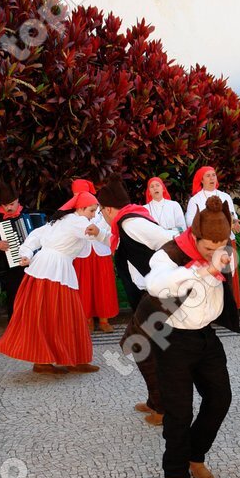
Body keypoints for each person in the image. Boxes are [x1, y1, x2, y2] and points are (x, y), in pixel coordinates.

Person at [143, 196, 240, 478]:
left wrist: (222, 259)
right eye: (208, 247)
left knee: (220, 397)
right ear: (194, 237)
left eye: (221, 244)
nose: (216, 252)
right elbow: (154, 285)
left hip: (205, 336)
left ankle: (195, 454)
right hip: (171, 337)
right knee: (179, 410)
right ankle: (175, 475)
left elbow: (232, 264)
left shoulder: (222, 248)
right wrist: (198, 270)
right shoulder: (169, 253)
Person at [0, 188, 101, 374]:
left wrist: (26, 254)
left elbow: (34, 237)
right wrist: (105, 228)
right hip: (54, 270)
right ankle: (64, 360)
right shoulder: (77, 220)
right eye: (91, 210)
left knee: (48, 315)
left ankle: (60, 360)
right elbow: (89, 231)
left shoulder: (59, 221)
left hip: (44, 268)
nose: (93, 215)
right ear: (81, 209)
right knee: (61, 315)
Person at [96, 175, 175, 425]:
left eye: (101, 211)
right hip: (148, 296)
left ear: (108, 209)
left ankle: (164, 408)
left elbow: (168, 240)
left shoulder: (131, 224)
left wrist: (165, 275)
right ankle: (157, 401)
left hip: (159, 295)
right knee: (148, 346)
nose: (102, 216)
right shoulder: (124, 225)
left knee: (138, 344)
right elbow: (123, 247)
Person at [185, 166, 240, 309]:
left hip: (226, 241)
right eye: (208, 176)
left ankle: (228, 307)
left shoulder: (225, 197)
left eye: (213, 175)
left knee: (228, 274)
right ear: (201, 180)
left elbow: (232, 216)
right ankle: (209, 308)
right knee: (210, 276)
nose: (212, 178)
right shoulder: (195, 200)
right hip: (207, 245)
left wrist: (235, 223)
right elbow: (190, 222)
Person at [71, 180, 119, 333]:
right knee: (83, 286)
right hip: (81, 253)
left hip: (101, 250)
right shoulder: (71, 213)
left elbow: (110, 226)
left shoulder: (101, 209)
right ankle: (87, 319)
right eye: (76, 194)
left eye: (82, 193)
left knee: (103, 284)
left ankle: (104, 320)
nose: (79, 196)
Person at [0, 181, 33, 318]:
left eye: (11, 204)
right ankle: (14, 330)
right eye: (5, 205)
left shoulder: (28, 214)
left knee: (33, 298)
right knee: (14, 298)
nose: (8, 208)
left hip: (33, 265)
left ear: (17, 201)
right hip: (11, 268)